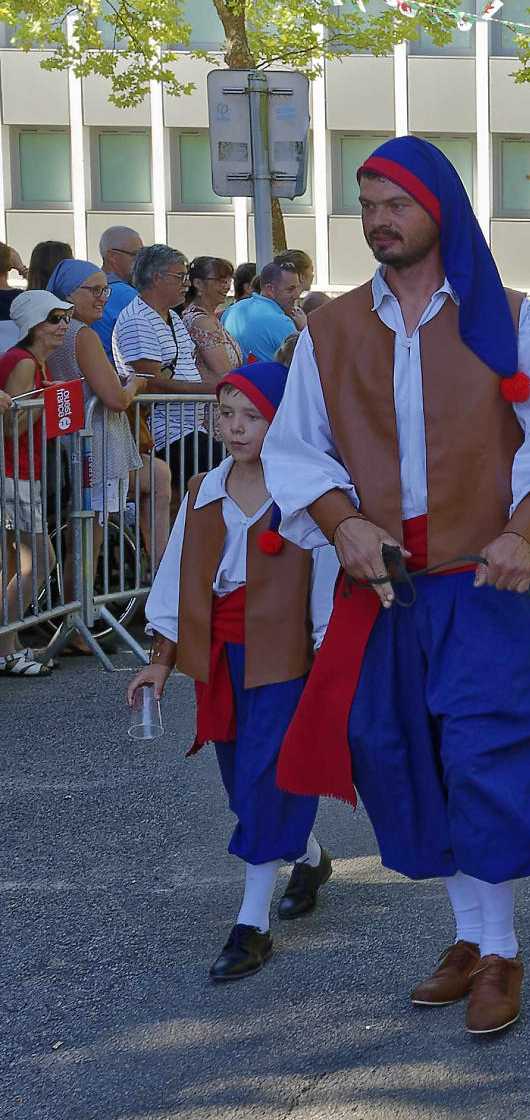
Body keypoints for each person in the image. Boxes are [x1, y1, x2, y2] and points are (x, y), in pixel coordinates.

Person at [264, 135, 530, 1037]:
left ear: (439, 210)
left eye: (396, 205)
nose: (379, 221)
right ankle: (469, 936)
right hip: (385, 596)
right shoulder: (330, 331)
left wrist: (522, 535)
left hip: (483, 589)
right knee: (407, 758)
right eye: (368, 205)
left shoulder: (508, 319)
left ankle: (498, 954)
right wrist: (344, 526)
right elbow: (298, 452)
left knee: (486, 759)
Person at [126, 362, 339, 979]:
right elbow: (175, 577)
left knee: (265, 779)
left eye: (253, 416)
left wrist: (329, 664)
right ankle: (312, 856)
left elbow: (325, 585)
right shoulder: (201, 491)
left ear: (282, 422)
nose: (235, 428)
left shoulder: (305, 493)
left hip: (284, 655)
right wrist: (160, 661)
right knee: (240, 780)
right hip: (218, 655)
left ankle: (251, 924)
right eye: (225, 414)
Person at [45, 259, 155, 571]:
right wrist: (135, 383)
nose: (102, 297)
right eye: (93, 290)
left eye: (104, 290)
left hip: (78, 443)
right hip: (96, 448)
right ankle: (78, 615)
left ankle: (76, 612)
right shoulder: (81, 334)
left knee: (80, 544)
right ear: (68, 295)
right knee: (86, 547)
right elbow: (116, 399)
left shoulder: (57, 331)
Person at [1, 291, 71, 677]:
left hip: (18, 471)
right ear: (33, 324)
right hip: (13, 472)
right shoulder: (24, 362)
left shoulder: (30, 362)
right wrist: (47, 399)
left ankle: (10, 648)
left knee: (16, 562)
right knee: (42, 560)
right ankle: (5, 645)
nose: (63, 325)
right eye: (54, 318)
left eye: (65, 317)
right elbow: (12, 427)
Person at [113, 244, 222, 480]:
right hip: (164, 436)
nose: (187, 283)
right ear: (156, 278)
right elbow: (150, 385)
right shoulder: (137, 321)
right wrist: (211, 389)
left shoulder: (171, 315)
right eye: (180, 276)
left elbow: (186, 368)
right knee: (231, 468)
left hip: (189, 431)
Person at [224, 261, 304, 364]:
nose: (296, 295)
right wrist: (305, 330)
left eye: (297, 288)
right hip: (269, 379)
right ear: (269, 289)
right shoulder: (281, 321)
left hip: (233, 379)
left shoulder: (231, 310)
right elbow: (302, 364)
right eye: (290, 289)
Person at [183, 256, 244, 378]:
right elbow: (223, 372)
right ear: (198, 284)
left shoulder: (208, 317)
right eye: (220, 280)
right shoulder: (200, 321)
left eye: (229, 280)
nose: (227, 286)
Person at [94, 225, 144, 351]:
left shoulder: (87, 289)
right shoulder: (126, 295)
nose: (141, 261)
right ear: (112, 256)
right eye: (136, 255)